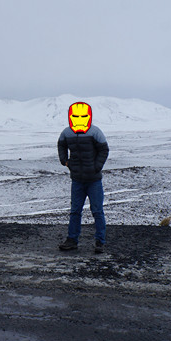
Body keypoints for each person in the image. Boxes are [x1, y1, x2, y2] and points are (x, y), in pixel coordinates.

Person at [58, 102, 109, 253]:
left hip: (93, 180)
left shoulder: (95, 132)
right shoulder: (67, 133)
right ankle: (72, 240)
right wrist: (64, 160)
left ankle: (100, 241)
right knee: (75, 210)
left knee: (97, 211)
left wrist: (96, 167)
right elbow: (61, 145)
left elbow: (104, 150)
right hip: (77, 180)